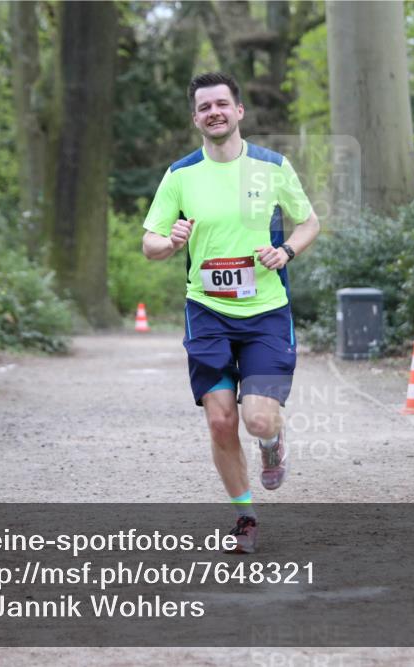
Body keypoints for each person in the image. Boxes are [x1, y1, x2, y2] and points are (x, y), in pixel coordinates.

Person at [141, 72, 320, 554]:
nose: (214, 112)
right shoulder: (180, 175)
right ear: (196, 118)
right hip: (207, 312)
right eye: (204, 107)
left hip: (265, 312)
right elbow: (150, 241)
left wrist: (287, 252)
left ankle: (270, 443)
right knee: (221, 421)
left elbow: (309, 222)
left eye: (222, 103)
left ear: (239, 111)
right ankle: (245, 515)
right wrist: (169, 241)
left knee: (258, 420)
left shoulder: (272, 166)